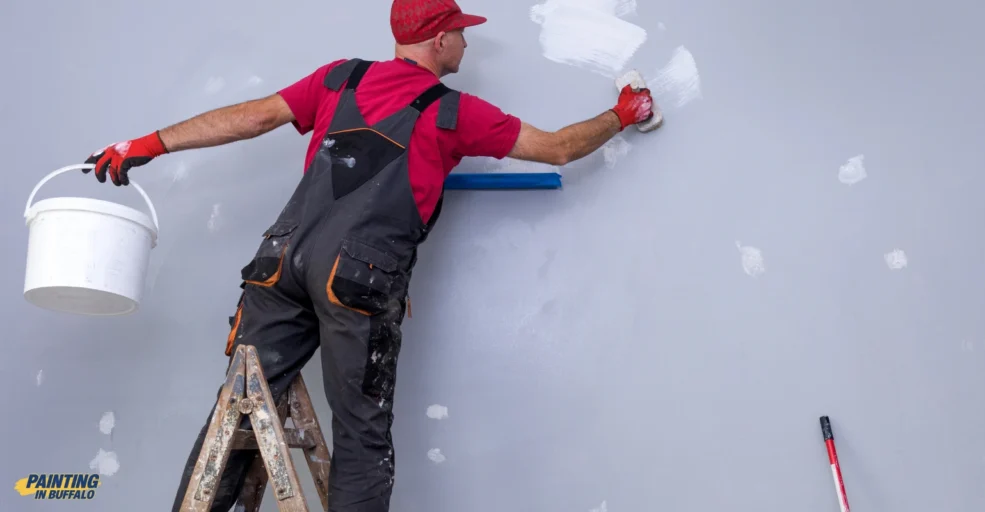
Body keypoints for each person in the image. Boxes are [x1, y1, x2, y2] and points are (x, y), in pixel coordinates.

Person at [85, 0, 654, 509]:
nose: (465, 42)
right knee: (360, 435)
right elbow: (556, 148)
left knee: (236, 415)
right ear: (438, 40)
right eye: (460, 31)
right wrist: (622, 115)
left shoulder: (340, 78)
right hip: (356, 280)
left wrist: (146, 145)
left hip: (278, 263)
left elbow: (252, 117)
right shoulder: (454, 112)